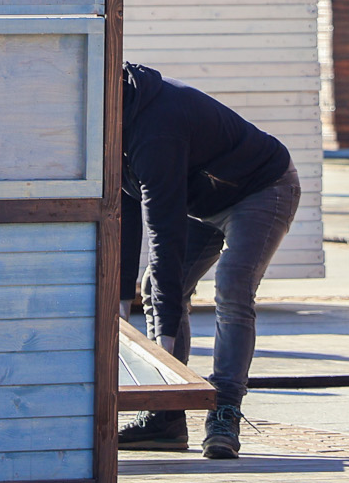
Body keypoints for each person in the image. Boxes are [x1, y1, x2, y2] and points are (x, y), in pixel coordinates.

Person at [117, 62, 300, 459]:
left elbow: (163, 232)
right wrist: (117, 305)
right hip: (204, 201)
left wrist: (161, 342)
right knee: (153, 287)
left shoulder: (157, 124)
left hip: (261, 188)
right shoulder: (107, 123)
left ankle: (225, 410)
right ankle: (165, 417)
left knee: (232, 286)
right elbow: (126, 214)